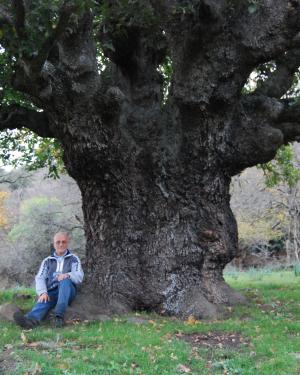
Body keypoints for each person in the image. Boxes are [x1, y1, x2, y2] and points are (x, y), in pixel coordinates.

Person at [14, 232, 84, 328]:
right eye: (58, 242)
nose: (61, 244)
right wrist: (42, 292)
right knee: (44, 299)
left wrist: (67, 275)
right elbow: (40, 278)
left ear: (67, 243)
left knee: (65, 281)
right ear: (54, 244)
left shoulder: (73, 259)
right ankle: (29, 321)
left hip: (67, 291)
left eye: (64, 242)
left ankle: (58, 316)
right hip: (52, 291)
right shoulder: (47, 261)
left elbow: (79, 276)